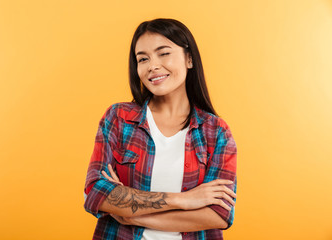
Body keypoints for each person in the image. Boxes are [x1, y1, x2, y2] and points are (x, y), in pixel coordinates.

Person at [84, 18, 237, 240]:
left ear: (189, 59)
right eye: (143, 59)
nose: (152, 65)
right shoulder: (119, 118)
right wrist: (183, 200)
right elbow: (96, 193)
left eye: (163, 53)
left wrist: (131, 214)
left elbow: (219, 214)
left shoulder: (217, 132)